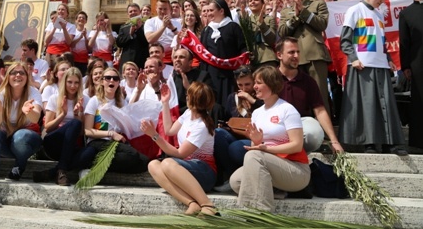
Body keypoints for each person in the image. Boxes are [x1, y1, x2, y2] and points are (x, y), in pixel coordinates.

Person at [229, 66, 310, 212]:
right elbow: (256, 148)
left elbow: (297, 145)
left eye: (259, 82)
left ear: (271, 84)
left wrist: (267, 148)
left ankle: (261, 214)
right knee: (235, 181)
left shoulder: (287, 109)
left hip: (296, 169)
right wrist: (258, 142)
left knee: (252, 157)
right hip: (270, 165)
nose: (254, 86)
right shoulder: (257, 113)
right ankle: (276, 192)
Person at [339, 0, 406, 155]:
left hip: (381, 64)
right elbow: (345, 40)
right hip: (362, 64)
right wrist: (353, 58)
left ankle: (388, 142)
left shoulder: (378, 14)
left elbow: (380, 40)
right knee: (367, 105)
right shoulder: (355, 10)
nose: (382, 1)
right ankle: (369, 143)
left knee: (385, 105)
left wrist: (389, 58)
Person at [141, 81, 218, 215]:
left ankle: (207, 204)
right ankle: (191, 203)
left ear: (193, 99)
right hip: (186, 168)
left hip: (205, 172)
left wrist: (154, 135)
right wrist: (165, 103)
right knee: (153, 165)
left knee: (168, 163)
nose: (186, 97)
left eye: (188, 95)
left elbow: (180, 154)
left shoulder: (201, 126)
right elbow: (169, 130)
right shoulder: (188, 113)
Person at [0, 62, 43, 206]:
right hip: (7, 140)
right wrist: (0, 110)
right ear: (8, 76)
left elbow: (35, 118)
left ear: (27, 77)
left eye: (22, 73)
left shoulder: (33, 93)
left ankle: (19, 165)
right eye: (14, 72)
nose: (18, 75)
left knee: (20, 136)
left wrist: (29, 111)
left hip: (26, 141)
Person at [277, 37, 344, 154]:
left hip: (301, 123)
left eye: (298, 52)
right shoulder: (270, 78)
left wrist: (334, 141)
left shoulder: (308, 81)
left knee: (313, 134)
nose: (296, 56)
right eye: (291, 52)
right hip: (277, 123)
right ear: (279, 55)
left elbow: (320, 111)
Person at [278, 0, 332, 114]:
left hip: (315, 55)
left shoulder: (318, 4)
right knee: (298, 96)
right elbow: (282, 32)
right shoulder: (285, 12)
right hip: (295, 58)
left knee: (320, 95)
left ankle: (325, 133)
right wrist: (296, 17)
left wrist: (303, 11)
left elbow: (322, 24)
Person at [81, 67, 149, 174]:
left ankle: (99, 166)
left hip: (115, 144)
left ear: (118, 83)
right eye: (108, 78)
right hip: (98, 142)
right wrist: (110, 133)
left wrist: (139, 90)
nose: (112, 81)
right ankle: (93, 164)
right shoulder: (94, 100)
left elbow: (129, 112)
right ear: (102, 82)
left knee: (145, 162)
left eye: (115, 78)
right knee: (132, 155)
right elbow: (87, 131)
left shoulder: (121, 102)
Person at [36, 67, 89, 185]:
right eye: (70, 82)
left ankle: (57, 171)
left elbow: (81, 133)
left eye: (76, 83)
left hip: (72, 144)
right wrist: (63, 114)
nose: (73, 86)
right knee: (74, 123)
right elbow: (48, 127)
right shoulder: (54, 98)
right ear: (64, 82)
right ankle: (60, 171)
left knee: (90, 152)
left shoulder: (85, 100)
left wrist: (77, 115)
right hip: (54, 142)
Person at [199, 0, 247, 107]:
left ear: (221, 11)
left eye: (211, 10)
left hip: (229, 74)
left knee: (228, 103)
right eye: (207, 11)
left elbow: (242, 48)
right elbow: (202, 52)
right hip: (210, 74)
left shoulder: (233, 27)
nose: (209, 13)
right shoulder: (206, 30)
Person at [399, 0, 423, 150]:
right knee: (420, 101)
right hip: (418, 63)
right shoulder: (406, 13)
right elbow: (404, 42)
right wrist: (405, 65)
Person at [144, 0, 181, 66]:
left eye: (165, 9)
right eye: (160, 9)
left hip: (174, 56)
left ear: (170, 9)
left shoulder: (178, 23)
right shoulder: (150, 22)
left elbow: (182, 40)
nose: (163, 11)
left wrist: (172, 28)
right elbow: (150, 39)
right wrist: (163, 26)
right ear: (156, 9)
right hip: (157, 57)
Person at [245, 0, 278, 66]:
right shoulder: (245, 21)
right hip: (250, 59)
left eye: (256, 0)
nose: (253, 2)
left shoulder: (269, 19)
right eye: (250, 1)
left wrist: (262, 24)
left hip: (267, 58)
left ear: (263, 4)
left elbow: (271, 40)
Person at [116, 3, 148, 71]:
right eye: (130, 11)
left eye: (135, 11)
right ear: (128, 14)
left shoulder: (147, 25)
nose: (133, 13)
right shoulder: (124, 27)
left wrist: (139, 29)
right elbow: (119, 43)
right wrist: (130, 34)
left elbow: (147, 41)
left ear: (140, 12)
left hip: (141, 60)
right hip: (126, 60)